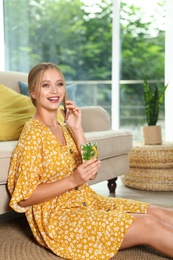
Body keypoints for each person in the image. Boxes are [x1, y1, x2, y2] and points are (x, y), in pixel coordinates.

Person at [8, 62, 173, 260]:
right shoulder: (32, 134)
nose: (54, 91)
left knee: (159, 212)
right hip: (60, 219)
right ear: (33, 92)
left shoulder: (66, 126)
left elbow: (92, 170)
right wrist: (73, 180)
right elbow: (24, 197)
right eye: (46, 85)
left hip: (87, 201)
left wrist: (77, 129)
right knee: (149, 224)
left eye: (59, 84)